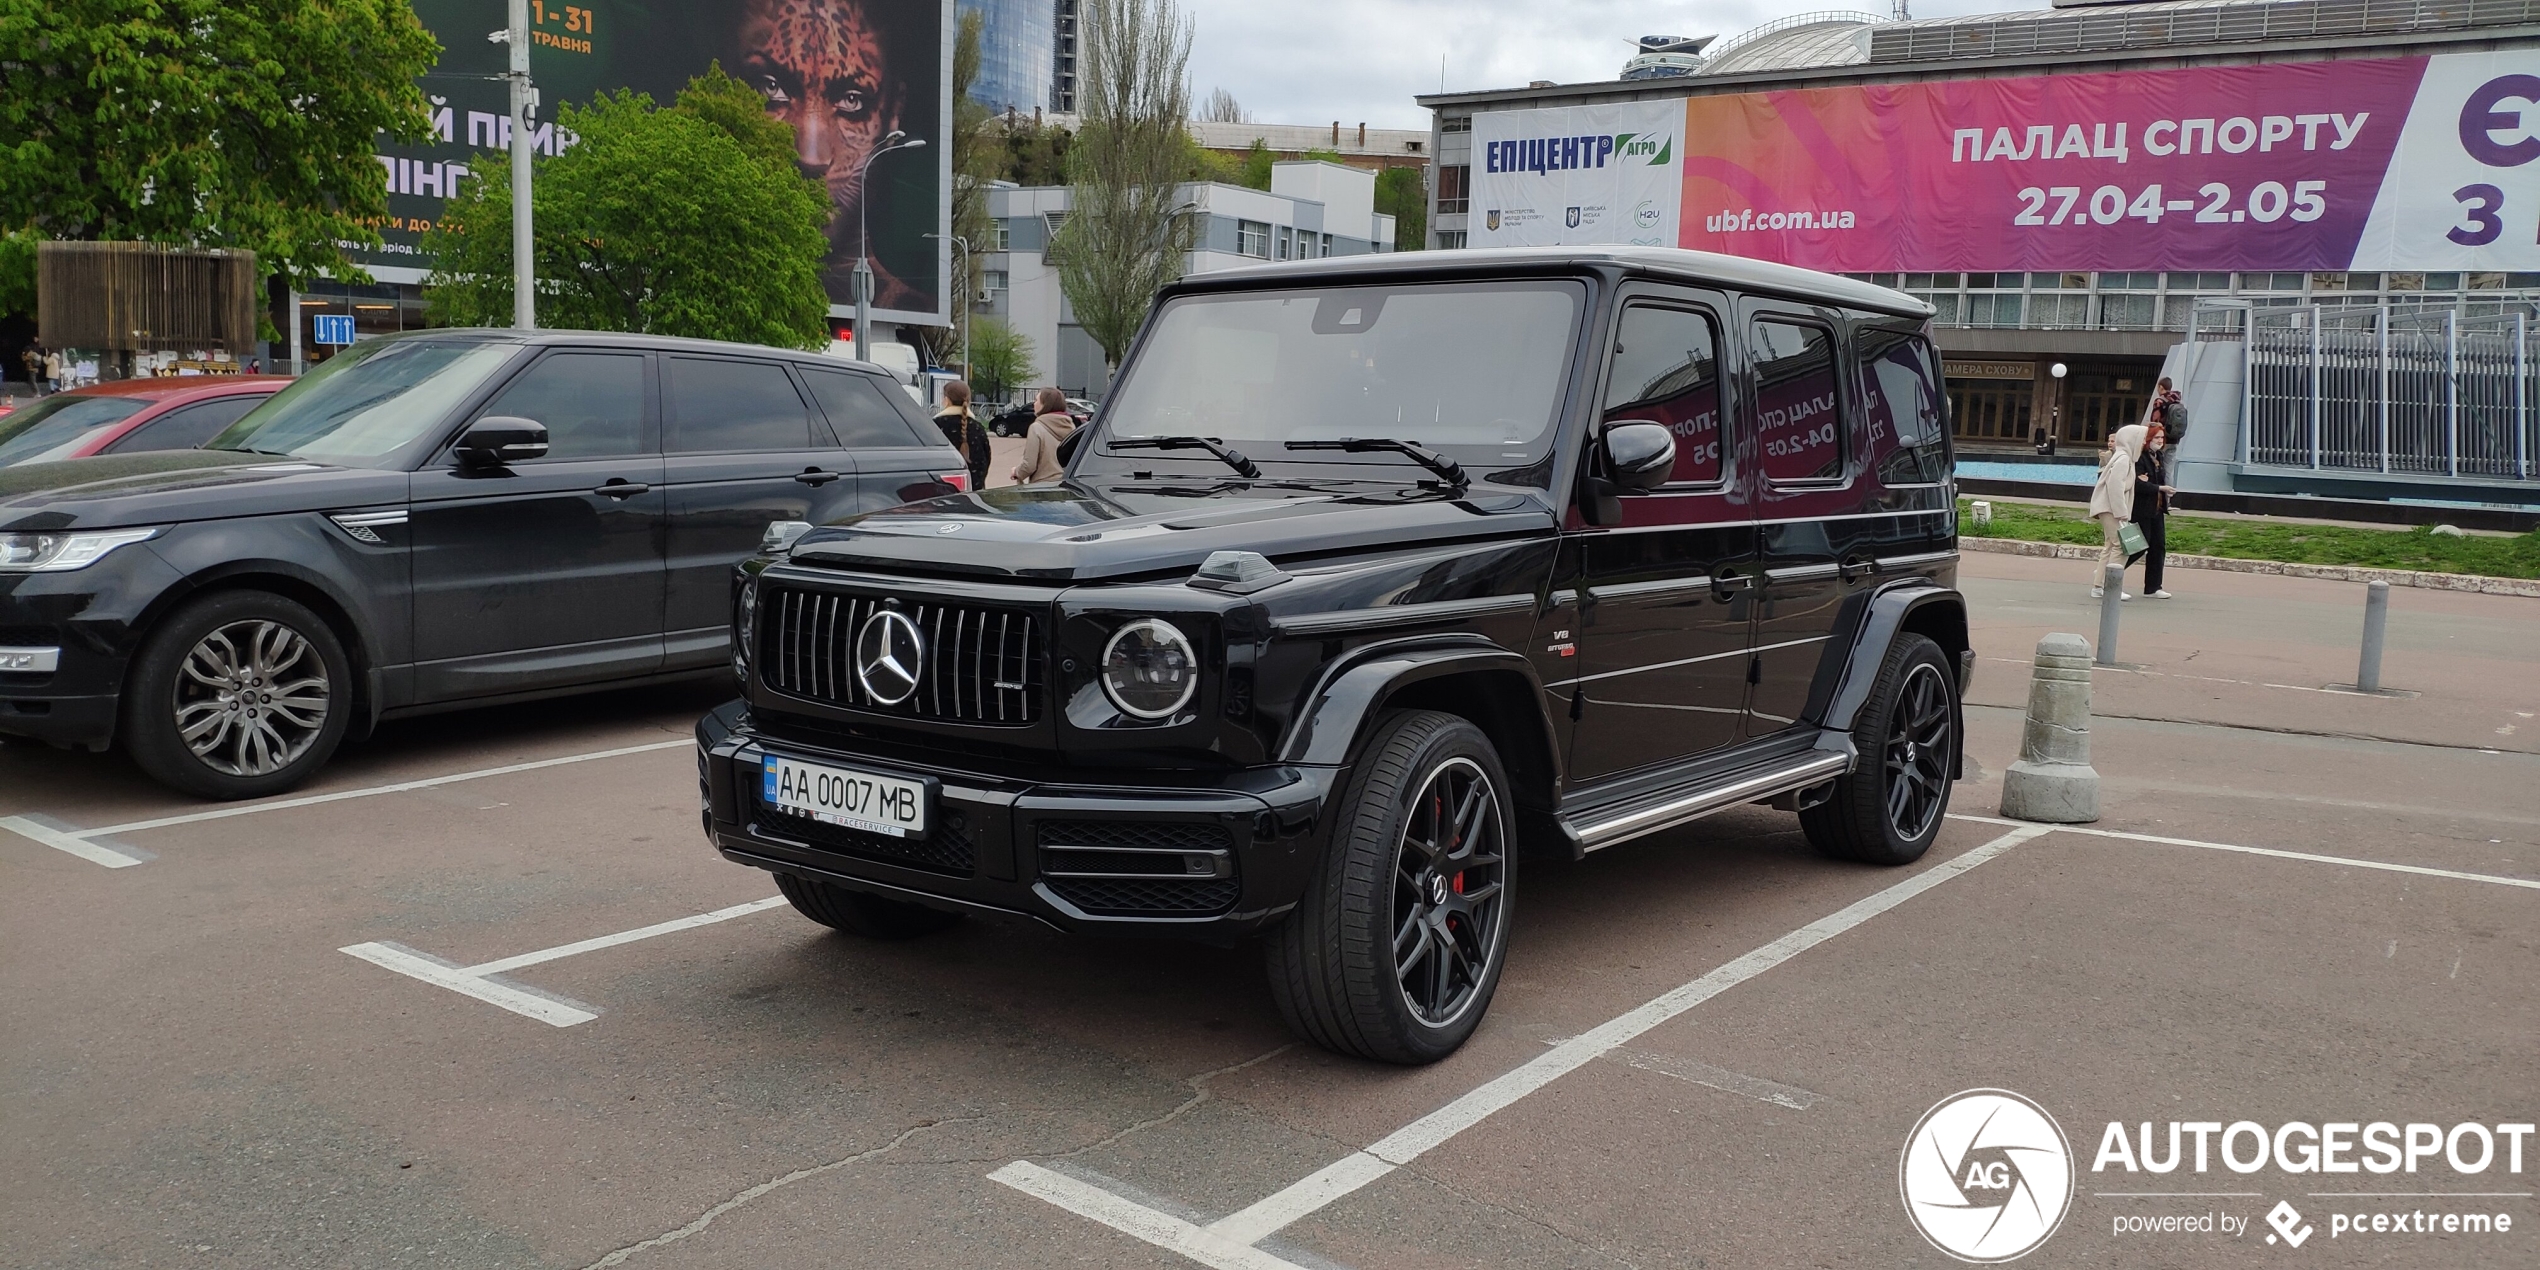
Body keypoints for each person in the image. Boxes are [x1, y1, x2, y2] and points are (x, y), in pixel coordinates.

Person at [2087, 422, 2150, 600]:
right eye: (2142, 438)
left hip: (2108, 508)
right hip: (2112, 509)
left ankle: (2099, 586)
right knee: (2120, 547)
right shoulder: (2123, 459)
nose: (2144, 442)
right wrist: (2121, 512)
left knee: (2110, 546)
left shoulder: (2123, 457)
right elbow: (2115, 486)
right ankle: (2110, 587)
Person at [2133, 423, 2175, 599]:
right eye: (2156, 437)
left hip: (2157, 509)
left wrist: (2158, 488)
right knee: (2138, 546)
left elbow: (2148, 481)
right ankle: (2110, 576)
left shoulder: (2158, 456)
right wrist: (2160, 488)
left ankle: (2153, 586)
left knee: (2158, 546)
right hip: (2142, 509)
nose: (2160, 440)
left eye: (2162, 437)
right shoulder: (2139, 458)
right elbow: (2137, 484)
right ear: (2147, 439)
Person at [931, 379, 991, 490]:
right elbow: (985, 461)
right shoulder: (978, 428)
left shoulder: (935, 426)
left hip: (942, 494)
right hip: (974, 494)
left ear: (946, 400)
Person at [1009, 387, 1076, 485]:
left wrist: (1017, 472)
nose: (1034, 404)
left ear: (1045, 405)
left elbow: (1029, 465)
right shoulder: (1071, 428)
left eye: (1036, 400)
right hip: (1065, 485)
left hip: (1042, 486)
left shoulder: (1037, 428)